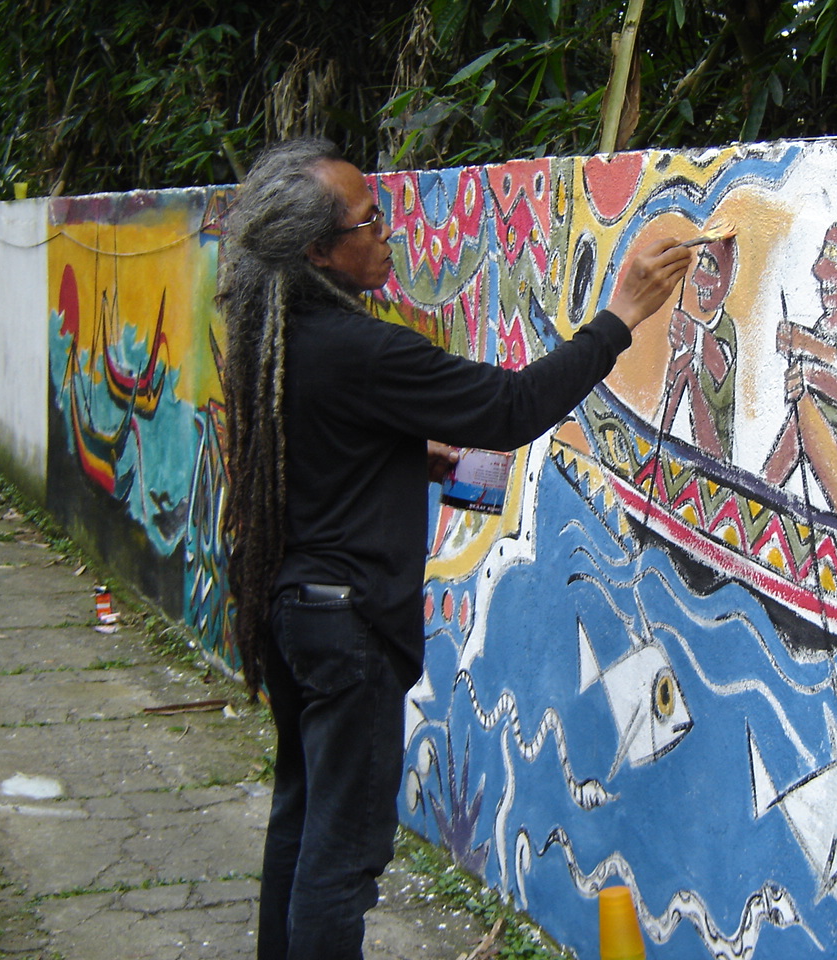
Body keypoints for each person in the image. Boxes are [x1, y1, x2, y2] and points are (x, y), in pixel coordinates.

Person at [218, 137, 690, 960]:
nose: (388, 233)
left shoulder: (280, 337)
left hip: (295, 615)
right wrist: (620, 317)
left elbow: (325, 450)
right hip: (349, 636)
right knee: (342, 860)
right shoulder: (364, 351)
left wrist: (404, 453)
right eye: (369, 222)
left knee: (300, 821)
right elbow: (511, 408)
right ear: (318, 252)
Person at [762, 222, 837, 518]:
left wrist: (808, 368)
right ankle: (765, 487)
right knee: (802, 409)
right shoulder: (823, 328)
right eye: (824, 255)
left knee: (804, 410)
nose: (821, 270)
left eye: (835, 256)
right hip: (822, 455)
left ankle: (765, 488)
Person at [659, 236, 738, 459]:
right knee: (683, 368)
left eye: (710, 266)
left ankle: (659, 437)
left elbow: (720, 366)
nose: (696, 279)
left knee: (686, 369)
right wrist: (677, 366)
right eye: (701, 265)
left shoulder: (726, 328)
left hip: (717, 452)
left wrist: (690, 331)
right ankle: (659, 435)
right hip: (702, 439)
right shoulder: (712, 329)